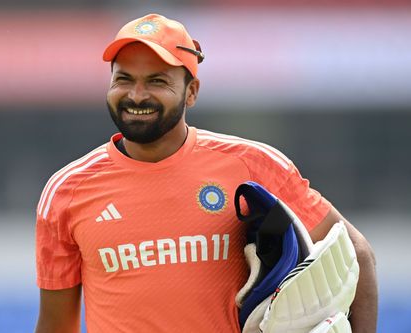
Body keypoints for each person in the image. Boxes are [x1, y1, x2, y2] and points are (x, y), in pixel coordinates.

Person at [34, 13, 377, 333]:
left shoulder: (253, 164)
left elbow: (356, 254)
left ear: (192, 92)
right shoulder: (67, 190)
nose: (137, 94)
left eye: (157, 81)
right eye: (124, 78)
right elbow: (56, 324)